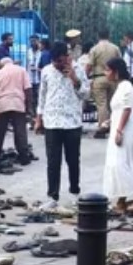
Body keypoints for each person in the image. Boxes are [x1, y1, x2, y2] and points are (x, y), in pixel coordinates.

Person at [35, 41, 90, 204]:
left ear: (67, 57)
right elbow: (42, 96)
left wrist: (74, 78)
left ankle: (74, 192)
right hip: (52, 122)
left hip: (72, 122)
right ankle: (52, 196)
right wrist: (39, 118)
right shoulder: (46, 71)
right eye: (55, 61)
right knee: (53, 161)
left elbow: (86, 94)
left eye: (61, 61)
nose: (58, 65)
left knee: (73, 160)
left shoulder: (78, 69)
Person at [102, 57, 133, 214]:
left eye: (107, 70)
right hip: (120, 126)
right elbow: (119, 109)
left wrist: (119, 130)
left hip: (126, 129)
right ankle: (121, 200)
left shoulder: (126, 86)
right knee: (123, 161)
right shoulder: (120, 86)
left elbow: (127, 109)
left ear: (116, 72)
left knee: (119, 163)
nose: (105, 73)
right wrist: (110, 122)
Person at [0, 57, 32, 166]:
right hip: (18, 103)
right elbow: (28, 89)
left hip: (2, 104)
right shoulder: (21, 70)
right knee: (20, 132)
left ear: (2, 63)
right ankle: (24, 156)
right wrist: (28, 107)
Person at [86, 29, 121, 137]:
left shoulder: (94, 49)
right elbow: (120, 63)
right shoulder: (115, 48)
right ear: (108, 36)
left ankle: (103, 127)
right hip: (113, 78)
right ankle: (114, 125)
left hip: (99, 77)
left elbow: (89, 65)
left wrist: (85, 77)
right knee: (112, 104)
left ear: (98, 36)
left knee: (101, 104)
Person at [27, 35, 42, 117]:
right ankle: (32, 114)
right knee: (31, 97)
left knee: (39, 96)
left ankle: (39, 114)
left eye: (34, 41)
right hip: (30, 78)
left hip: (39, 78)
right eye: (31, 41)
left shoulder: (41, 52)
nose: (33, 43)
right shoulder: (28, 51)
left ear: (38, 41)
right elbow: (27, 64)